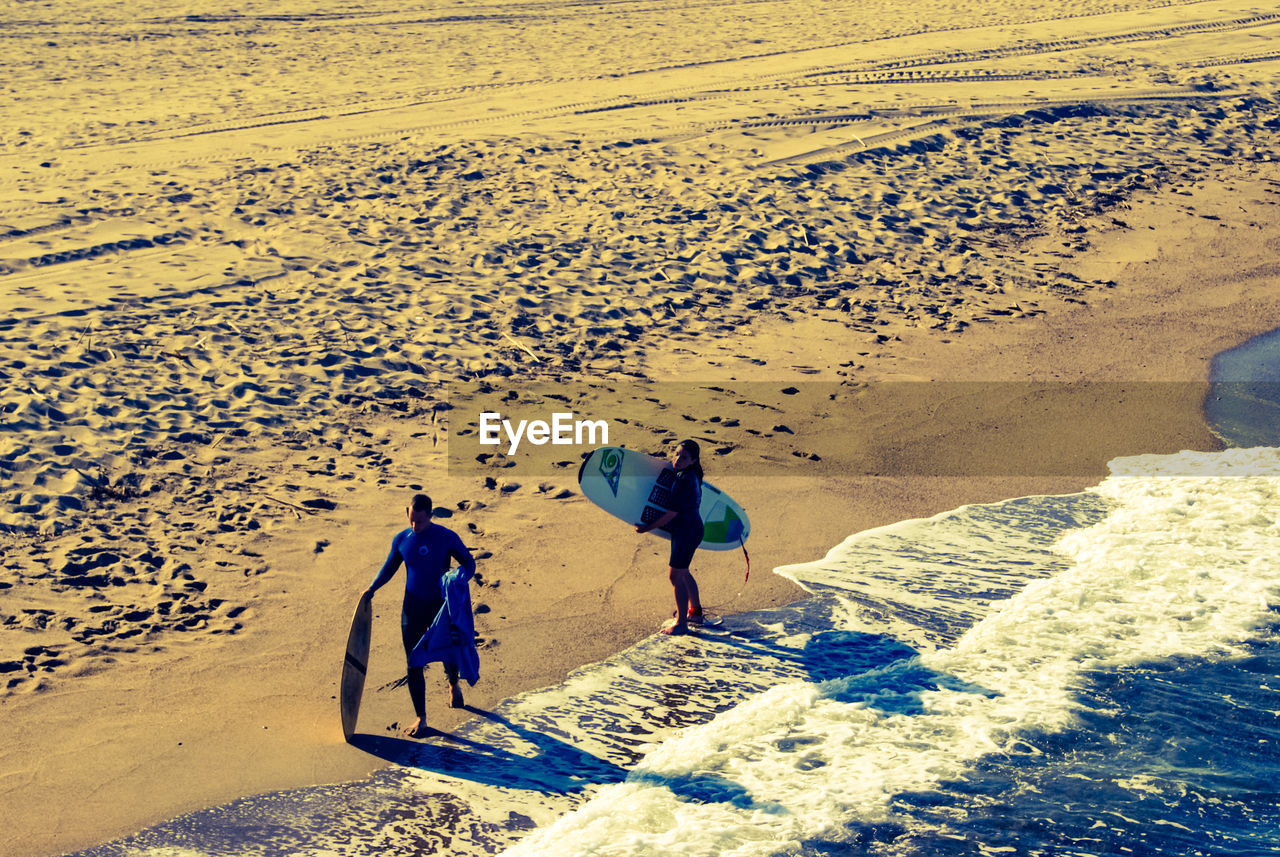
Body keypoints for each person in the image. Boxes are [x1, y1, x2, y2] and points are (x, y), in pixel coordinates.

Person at [363, 493, 476, 738]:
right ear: (407, 512)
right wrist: (372, 588)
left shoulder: (446, 537)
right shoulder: (402, 540)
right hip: (412, 608)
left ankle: (453, 683)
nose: (415, 526)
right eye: (412, 520)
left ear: (431, 516)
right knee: (413, 661)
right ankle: (421, 718)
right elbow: (389, 568)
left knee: (447, 651)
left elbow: (469, 563)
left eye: (421, 522)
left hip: (439, 608)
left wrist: (459, 578)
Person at [635, 439, 705, 635]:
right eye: (676, 454)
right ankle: (696, 612)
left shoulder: (683, 480)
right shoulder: (693, 474)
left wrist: (647, 528)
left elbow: (670, 514)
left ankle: (681, 624)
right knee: (683, 572)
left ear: (693, 460)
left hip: (686, 531)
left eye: (683, 457)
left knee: (675, 576)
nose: (677, 459)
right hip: (692, 528)